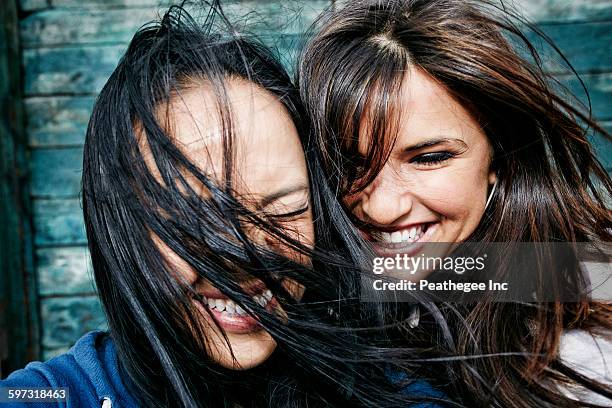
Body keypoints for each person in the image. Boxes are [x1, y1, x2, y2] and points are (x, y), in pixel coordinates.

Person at [1, 4, 450, 408]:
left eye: (284, 210)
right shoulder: (56, 393)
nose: (247, 255)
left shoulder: (387, 381)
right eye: (196, 216)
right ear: (121, 224)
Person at [298, 0, 612, 406]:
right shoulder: (319, 291)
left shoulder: (585, 325)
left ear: (499, 155)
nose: (383, 209)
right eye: (347, 165)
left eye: (429, 158)